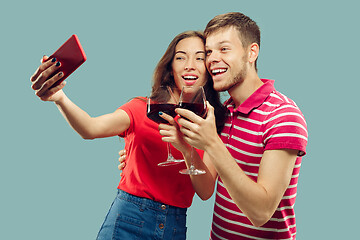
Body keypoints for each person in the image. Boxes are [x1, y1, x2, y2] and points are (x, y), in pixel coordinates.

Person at [119, 12, 308, 239]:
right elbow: (206, 188)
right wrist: (183, 150)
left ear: (252, 52)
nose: (212, 59)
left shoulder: (282, 115)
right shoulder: (224, 112)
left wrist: (211, 142)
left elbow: (261, 212)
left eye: (224, 49)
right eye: (209, 52)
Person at [30, 30, 226, 240]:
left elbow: (205, 192)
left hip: (174, 226)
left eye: (199, 58)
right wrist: (60, 98)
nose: (190, 65)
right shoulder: (141, 108)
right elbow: (90, 128)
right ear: (170, 67)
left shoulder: (211, 123)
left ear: (209, 68)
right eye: (180, 57)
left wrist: (186, 150)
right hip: (129, 218)